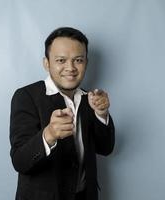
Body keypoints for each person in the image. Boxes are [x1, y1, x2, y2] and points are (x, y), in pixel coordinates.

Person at [9, 27, 115, 200]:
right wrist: (48, 135)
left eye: (78, 60)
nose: (70, 67)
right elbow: (20, 161)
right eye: (61, 60)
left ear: (86, 63)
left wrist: (102, 114)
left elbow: (106, 148)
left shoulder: (91, 98)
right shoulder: (26, 96)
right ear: (46, 63)